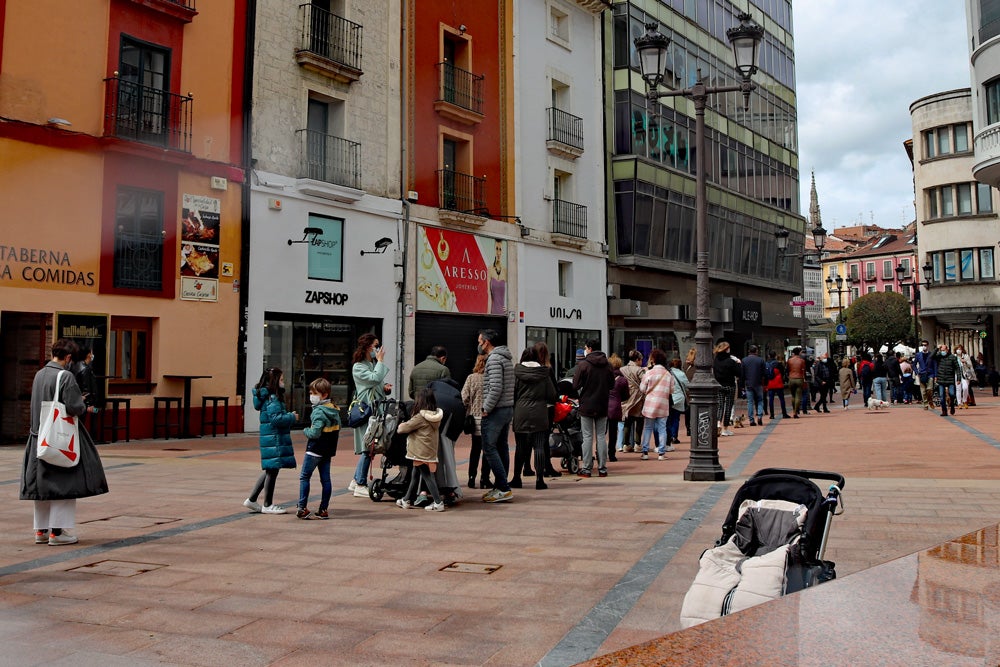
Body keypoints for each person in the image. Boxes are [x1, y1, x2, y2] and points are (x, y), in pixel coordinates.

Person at [21, 338, 108, 546]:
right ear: (68, 357)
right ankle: (57, 533)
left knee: (42, 487)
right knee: (65, 484)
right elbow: (75, 407)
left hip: (38, 437)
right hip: (60, 439)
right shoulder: (66, 376)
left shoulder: (39, 375)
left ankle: (41, 531)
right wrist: (83, 402)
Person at [244, 367, 297, 514]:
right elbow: (275, 419)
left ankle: (252, 500)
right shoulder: (272, 398)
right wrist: (292, 417)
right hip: (274, 438)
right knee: (272, 471)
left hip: (270, 437)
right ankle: (268, 504)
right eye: (281, 379)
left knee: (270, 469)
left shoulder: (266, 397)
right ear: (274, 381)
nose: (283, 382)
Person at [349, 333, 391, 498]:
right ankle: (360, 483)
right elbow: (374, 379)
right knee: (368, 447)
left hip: (375, 410)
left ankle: (355, 480)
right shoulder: (359, 366)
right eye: (375, 345)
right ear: (367, 347)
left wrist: (385, 388)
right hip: (366, 411)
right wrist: (380, 362)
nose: (378, 349)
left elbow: (376, 382)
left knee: (370, 447)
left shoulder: (370, 363)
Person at [512, 346, 557, 490]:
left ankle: (517, 478)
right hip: (540, 413)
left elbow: (512, 393)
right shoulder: (544, 373)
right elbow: (552, 395)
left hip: (521, 412)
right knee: (539, 446)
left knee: (520, 446)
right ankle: (539, 480)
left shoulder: (517, 373)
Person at [478, 329, 515, 503]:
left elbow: (495, 387)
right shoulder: (506, 358)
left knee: (490, 448)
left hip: (496, 410)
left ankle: (503, 487)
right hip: (507, 408)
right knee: (501, 447)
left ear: (487, 342)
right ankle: (501, 486)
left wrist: (486, 407)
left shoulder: (493, 360)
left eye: (480, 341)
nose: (479, 345)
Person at [395, 388, 446, 512]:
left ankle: (438, 502)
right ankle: (406, 499)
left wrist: (400, 424)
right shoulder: (435, 416)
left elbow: (403, 429)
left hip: (419, 451)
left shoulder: (421, 417)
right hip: (429, 450)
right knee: (415, 474)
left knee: (427, 476)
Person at [296, 378, 340, 520]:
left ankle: (302, 507)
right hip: (327, 451)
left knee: (304, 477)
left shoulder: (319, 412)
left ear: (324, 395)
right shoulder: (334, 410)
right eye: (311, 392)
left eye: (314, 393)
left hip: (314, 449)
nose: (311, 396)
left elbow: (314, 433)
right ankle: (323, 509)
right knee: (325, 480)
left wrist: (305, 430)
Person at [572, 338, 615, 478]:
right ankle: (602, 468)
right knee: (601, 436)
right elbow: (611, 385)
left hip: (587, 404)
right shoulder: (608, 365)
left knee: (587, 436)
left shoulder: (584, 365)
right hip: (602, 403)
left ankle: (586, 468)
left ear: (589, 348)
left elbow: (575, 385)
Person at [461, 354, 492, 489]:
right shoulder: (491, 379)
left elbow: (464, 398)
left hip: (475, 419)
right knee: (487, 450)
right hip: (488, 418)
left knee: (475, 449)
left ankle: (471, 477)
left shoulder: (471, 378)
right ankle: (485, 478)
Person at [639, 349, 674, 460]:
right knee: (662, 428)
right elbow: (671, 390)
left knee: (648, 427)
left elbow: (642, 389)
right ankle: (661, 453)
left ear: (653, 360)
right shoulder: (668, 374)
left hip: (650, 404)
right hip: (663, 404)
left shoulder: (649, 373)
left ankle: (645, 452)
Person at [619, 350, 645, 451]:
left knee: (627, 421)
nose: (641, 362)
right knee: (639, 420)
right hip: (638, 397)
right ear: (637, 359)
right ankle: (637, 444)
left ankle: (626, 444)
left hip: (626, 397)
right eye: (641, 360)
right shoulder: (639, 370)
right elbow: (645, 382)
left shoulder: (622, 369)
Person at [71, 344, 102, 433]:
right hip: (85, 403)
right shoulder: (85, 369)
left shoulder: (76, 366)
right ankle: (92, 437)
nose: (92, 355)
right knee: (84, 422)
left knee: (78, 425)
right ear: (88, 354)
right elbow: (86, 388)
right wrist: (89, 404)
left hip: (78, 401)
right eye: (91, 352)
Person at [606, 354, 629, 462]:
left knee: (601, 433)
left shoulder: (604, 377)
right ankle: (611, 454)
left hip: (603, 406)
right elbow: (626, 396)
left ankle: (599, 452)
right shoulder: (622, 380)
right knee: (613, 432)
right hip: (615, 407)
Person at [713, 341, 739, 435]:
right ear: (726, 349)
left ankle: (718, 423)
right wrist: (738, 364)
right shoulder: (730, 361)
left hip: (719, 385)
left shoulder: (716, 360)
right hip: (730, 385)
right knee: (728, 406)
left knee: (720, 406)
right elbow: (738, 372)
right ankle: (725, 428)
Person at [741, 345, 766, 425]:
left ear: (749, 351)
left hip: (748, 384)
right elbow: (764, 373)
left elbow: (742, 374)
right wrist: (765, 383)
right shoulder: (761, 360)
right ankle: (759, 416)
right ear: (756, 351)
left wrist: (742, 385)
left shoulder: (744, 360)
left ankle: (751, 420)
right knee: (760, 400)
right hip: (758, 383)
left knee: (750, 402)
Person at [666, 358, 689, 445]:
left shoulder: (667, 373)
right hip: (679, 398)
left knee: (669, 418)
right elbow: (687, 386)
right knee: (676, 418)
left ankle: (668, 436)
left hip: (669, 397)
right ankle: (674, 436)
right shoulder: (681, 374)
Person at [935, 344, 960, 416]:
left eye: (944, 350)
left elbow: (957, 368)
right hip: (941, 379)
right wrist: (937, 348)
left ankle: (952, 404)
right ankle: (944, 411)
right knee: (942, 397)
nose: (942, 352)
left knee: (952, 394)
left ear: (947, 349)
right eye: (941, 350)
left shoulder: (952, 357)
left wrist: (958, 378)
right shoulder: (939, 357)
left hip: (950, 379)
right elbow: (931, 357)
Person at [765, 351, 789, 419]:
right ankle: (784, 413)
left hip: (770, 383)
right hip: (778, 383)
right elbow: (783, 373)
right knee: (781, 399)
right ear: (775, 356)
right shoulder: (778, 364)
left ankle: (772, 414)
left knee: (771, 399)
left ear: (769, 356)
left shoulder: (767, 364)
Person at [914, 340, 937, 410]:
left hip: (930, 374)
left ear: (928, 346)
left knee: (929, 389)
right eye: (923, 345)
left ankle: (930, 401)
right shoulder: (918, 355)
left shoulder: (931, 354)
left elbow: (935, 365)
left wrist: (936, 375)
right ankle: (925, 404)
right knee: (923, 391)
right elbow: (913, 364)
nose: (924, 346)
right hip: (922, 374)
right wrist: (917, 372)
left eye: (925, 345)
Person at [786, 347, 806, 418]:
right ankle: (795, 412)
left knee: (793, 395)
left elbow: (787, 369)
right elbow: (803, 371)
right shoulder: (802, 361)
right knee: (798, 396)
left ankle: (794, 409)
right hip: (799, 378)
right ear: (799, 352)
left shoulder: (789, 360)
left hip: (791, 378)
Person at [489, 240, 507, 315]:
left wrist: (509, 307)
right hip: (493, 312)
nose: (498, 252)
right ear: (494, 249)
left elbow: (512, 293)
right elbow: (489, 295)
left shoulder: (506, 271)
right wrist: (488, 314)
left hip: (504, 313)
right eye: (496, 248)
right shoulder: (490, 269)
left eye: (500, 249)